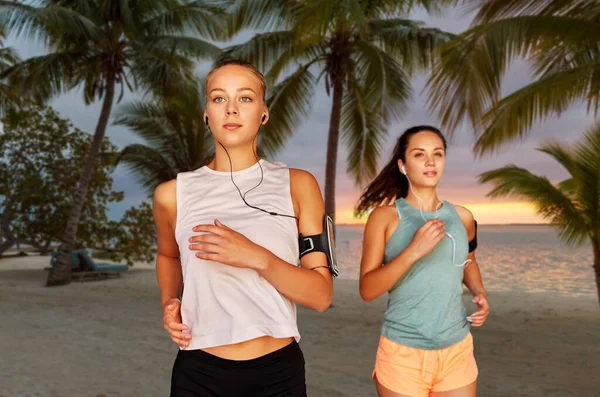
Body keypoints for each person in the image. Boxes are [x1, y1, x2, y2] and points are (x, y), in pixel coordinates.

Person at [152, 60, 334, 397]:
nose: (231, 109)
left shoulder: (298, 186)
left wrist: (256, 257)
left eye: (245, 99)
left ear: (263, 113)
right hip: (199, 373)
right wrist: (169, 302)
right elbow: (167, 255)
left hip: (277, 373)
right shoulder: (172, 194)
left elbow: (321, 296)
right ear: (206, 112)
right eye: (219, 98)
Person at [355, 126, 490, 397]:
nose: (430, 161)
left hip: (457, 349)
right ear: (403, 166)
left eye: (437, 154)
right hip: (402, 353)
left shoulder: (463, 217)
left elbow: (468, 260)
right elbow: (368, 290)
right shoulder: (384, 218)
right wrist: (414, 250)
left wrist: (480, 292)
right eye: (420, 154)